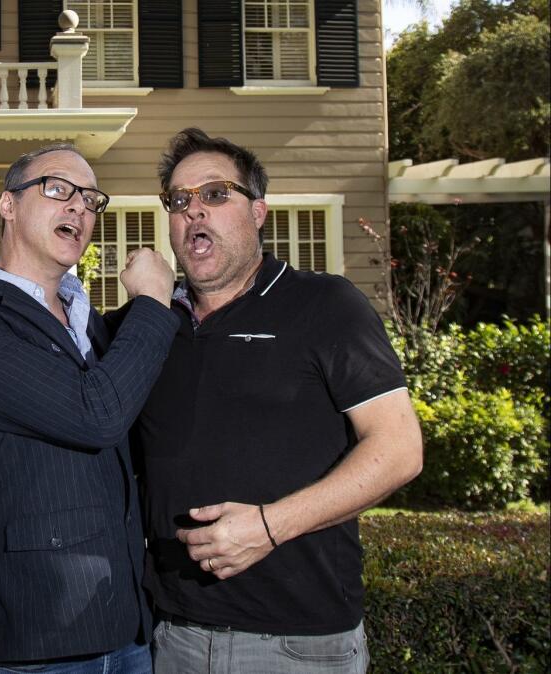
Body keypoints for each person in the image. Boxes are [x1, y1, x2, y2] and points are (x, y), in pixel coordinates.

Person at [134, 128, 423, 673]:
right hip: (171, 638)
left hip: (297, 645)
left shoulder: (325, 305)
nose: (194, 211)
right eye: (179, 200)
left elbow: (399, 449)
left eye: (216, 194)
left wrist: (268, 527)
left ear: (258, 211)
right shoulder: (150, 326)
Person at [0, 143, 178, 672]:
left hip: (128, 625)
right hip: (37, 640)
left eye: (90, 199)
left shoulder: (91, 321)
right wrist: (153, 302)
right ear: (8, 205)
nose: (79, 207)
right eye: (57, 189)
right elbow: (97, 413)